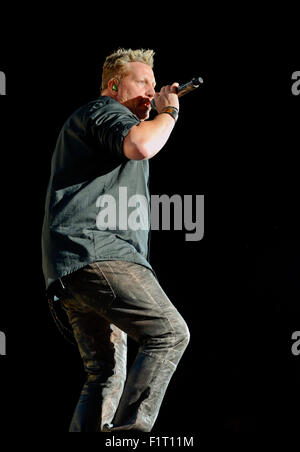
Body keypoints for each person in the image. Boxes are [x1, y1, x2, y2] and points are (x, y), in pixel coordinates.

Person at [42, 48, 190, 432]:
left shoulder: (104, 125)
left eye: (155, 86)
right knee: (170, 333)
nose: (150, 92)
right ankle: (129, 437)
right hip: (99, 254)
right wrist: (168, 111)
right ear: (113, 85)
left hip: (74, 266)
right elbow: (141, 145)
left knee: (104, 375)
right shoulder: (106, 112)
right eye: (143, 83)